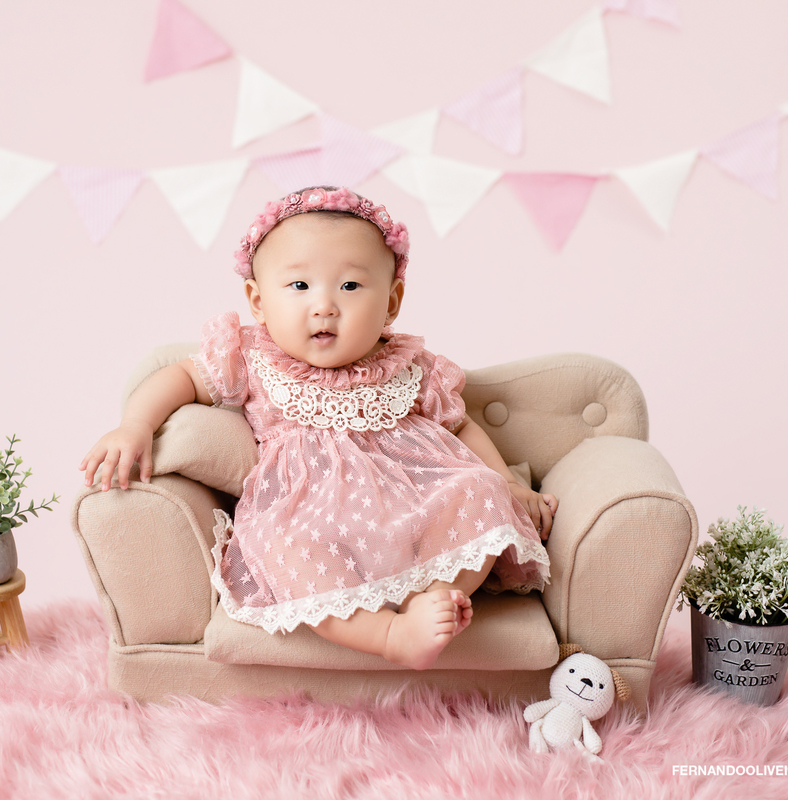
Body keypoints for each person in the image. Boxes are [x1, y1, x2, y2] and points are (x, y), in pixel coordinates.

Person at [81, 186, 556, 671]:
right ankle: (390, 633)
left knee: (479, 489)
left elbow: (462, 426)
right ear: (258, 301)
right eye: (300, 287)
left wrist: (511, 484)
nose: (324, 305)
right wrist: (135, 426)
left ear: (392, 302)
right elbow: (180, 376)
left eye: (350, 287)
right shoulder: (252, 358)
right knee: (279, 545)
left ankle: (436, 599)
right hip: (312, 516)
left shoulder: (410, 367)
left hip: (414, 505)